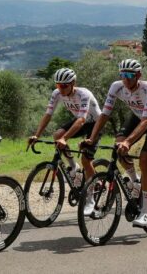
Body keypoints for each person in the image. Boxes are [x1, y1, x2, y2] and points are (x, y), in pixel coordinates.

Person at [85, 59, 147, 228]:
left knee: (145, 160)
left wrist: (129, 142)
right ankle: (135, 181)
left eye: (129, 75)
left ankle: (146, 211)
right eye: (123, 75)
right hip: (137, 116)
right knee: (118, 147)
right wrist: (91, 138)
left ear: (138, 75)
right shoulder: (116, 87)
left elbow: (146, 121)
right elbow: (105, 115)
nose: (126, 79)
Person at [28, 67, 102, 215]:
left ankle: (91, 199)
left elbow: (81, 120)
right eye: (57, 85)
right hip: (80, 121)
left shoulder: (84, 94)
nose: (60, 89)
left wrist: (65, 139)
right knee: (57, 135)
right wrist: (37, 135)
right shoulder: (57, 94)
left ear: (73, 83)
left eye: (64, 86)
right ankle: (74, 168)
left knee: (86, 160)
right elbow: (48, 115)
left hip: (95, 124)